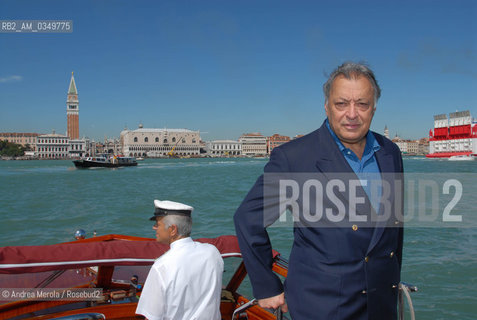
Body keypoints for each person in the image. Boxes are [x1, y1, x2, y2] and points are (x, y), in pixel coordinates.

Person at [234, 62, 404, 320]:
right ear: (326, 106)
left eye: (362, 104)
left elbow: (394, 232)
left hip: (381, 305)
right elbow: (248, 219)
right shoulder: (294, 158)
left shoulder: (390, 152)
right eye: (341, 103)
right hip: (322, 306)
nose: (352, 113)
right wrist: (267, 285)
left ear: (374, 108)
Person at [136, 200, 224, 320]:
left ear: (173, 230)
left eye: (157, 224)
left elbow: (152, 317)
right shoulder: (212, 252)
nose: (154, 227)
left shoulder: (162, 266)